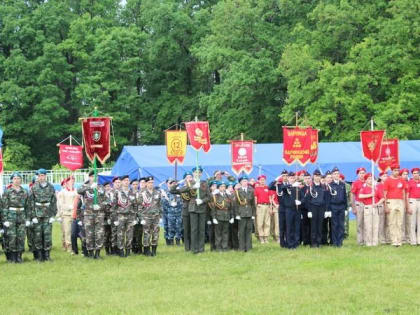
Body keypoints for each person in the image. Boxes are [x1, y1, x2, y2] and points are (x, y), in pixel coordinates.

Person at [28, 168, 57, 261]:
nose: (41, 177)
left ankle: (47, 255)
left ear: (46, 176)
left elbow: (53, 202)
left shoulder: (51, 187)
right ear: (38, 176)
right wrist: (33, 216)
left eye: (43, 175)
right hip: (37, 214)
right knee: (37, 235)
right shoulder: (34, 187)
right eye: (40, 176)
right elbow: (30, 203)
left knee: (47, 235)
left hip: (47, 214)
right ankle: (39, 256)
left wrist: (53, 215)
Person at [1, 172, 29, 263]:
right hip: (11, 216)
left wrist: (28, 219)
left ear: (21, 180)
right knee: (12, 237)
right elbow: (4, 207)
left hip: (22, 215)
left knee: (21, 237)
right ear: (12, 180)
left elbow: (28, 206)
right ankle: (12, 257)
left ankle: (19, 256)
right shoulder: (7, 192)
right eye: (15, 178)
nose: (17, 180)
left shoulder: (24, 192)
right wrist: (5, 219)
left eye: (18, 178)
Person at [77, 171, 106, 259]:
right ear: (89, 177)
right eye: (92, 176)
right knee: (89, 234)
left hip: (99, 214)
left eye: (96, 176)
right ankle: (90, 252)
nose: (94, 178)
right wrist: (89, 187)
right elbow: (79, 191)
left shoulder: (101, 187)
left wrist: (100, 206)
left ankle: (97, 253)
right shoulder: (84, 186)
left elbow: (106, 200)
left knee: (99, 234)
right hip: (88, 214)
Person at [383, 164, 407, 247]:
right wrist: (386, 205)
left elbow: (404, 192)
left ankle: (399, 240)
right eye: (395, 170)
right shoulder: (387, 180)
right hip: (391, 201)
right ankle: (394, 240)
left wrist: (404, 203)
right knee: (392, 222)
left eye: (398, 170)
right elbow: (385, 194)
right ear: (392, 171)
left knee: (399, 222)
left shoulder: (402, 180)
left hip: (400, 201)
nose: (397, 172)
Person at [113, 175, 137, 257]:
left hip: (130, 216)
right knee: (120, 234)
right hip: (120, 216)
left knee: (129, 234)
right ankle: (121, 250)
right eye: (125, 180)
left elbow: (135, 206)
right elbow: (114, 206)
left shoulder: (132, 192)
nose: (127, 182)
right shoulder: (117, 192)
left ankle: (128, 250)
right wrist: (115, 218)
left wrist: (135, 217)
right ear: (122, 182)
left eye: (128, 180)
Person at [139, 176, 163, 256]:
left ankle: (154, 250)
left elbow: (160, 205)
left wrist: (161, 216)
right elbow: (139, 207)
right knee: (147, 234)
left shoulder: (157, 192)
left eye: (152, 182)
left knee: (156, 233)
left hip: (156, 217)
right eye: (149, 182)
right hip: (146, 217)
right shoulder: (142, 193)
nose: (151, 184)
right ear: (146, 183)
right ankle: (146, 250)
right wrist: (141, 218)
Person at [359, 173, 384, 246]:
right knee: (368, 225)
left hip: (375, 207)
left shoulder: (376, 188)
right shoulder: (363, 188)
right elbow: (360, 196)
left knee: (375, 225)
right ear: (366, 180)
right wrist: (370, 195)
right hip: (367, 207)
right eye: (369, 179)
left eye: (371, 178)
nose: (370, 180)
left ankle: (375, 241)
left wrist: (377, 204)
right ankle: (368, 242)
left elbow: (382, 198)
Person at [306, 170, 329, 248]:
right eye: (316, 176)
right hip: (313, 208)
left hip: (321, 208)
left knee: (320, 226)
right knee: (313, 226)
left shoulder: (324, 186)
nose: (317, 177)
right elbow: (308, 200)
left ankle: (319, 242)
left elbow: (326, 199)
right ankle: (313, 243)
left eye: (319, 176)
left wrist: (326, 210)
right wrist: (309, 211)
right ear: (313, 177)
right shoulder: (310, 187)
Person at [170, 172, 193, 251]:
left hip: (194, 208)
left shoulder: (195, 186)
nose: (189, 178)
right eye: (187, 177)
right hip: (186, 209)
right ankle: (187, 247)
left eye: (190, 177)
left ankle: (193, 245)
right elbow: (172, 190)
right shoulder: (182, 188)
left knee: (193, 228)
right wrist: (178, 183)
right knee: (186, 229)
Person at [282, 172, 304, 249]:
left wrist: (300, 202)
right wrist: (292, 185)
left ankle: (296, 243)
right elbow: (283, 188)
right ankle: (290, 243)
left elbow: (303, 197)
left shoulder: (297, 188)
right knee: (289, 227)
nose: (292, 179)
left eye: (293, 178)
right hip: (289, 210)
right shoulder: (286, 186)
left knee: (297, 227)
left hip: (297, 209)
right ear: (288, 178)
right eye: (290, 178)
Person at [234, 175, 256, 252]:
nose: (245, 182)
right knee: (242, 231)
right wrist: (237, 214)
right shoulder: (238, 191)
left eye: (246, 181)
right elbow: (236, 204)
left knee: (249, 231)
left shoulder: (251, 190)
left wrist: (253, 214)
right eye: (243, 181)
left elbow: (253, 203)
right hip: (241, 212)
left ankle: (249, 247)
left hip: (249, 212)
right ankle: (242, 247)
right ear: (240, 182)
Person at [327, 167, 347, 247]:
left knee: (341, 225)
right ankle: (335, 242)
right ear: (332, 175)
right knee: (334, 225)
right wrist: (328, 210)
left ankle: (340, 242)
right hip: (333, 207)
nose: (336, 175)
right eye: (335, 174)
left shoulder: (342, 184)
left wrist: (345, 208)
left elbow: (345, 196)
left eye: (337, 173)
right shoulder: (330, 185)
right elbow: (328, 198)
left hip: (341, 206)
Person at [57, 176, 78, 254]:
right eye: (71, 181)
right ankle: (69, 247)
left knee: (74, 232)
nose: (72, 182)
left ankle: (75, 247)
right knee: (67, 232)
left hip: (75, 214)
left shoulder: (76, 191)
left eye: (73, 181)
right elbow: (61, 203)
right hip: (66, 214)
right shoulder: (62, 192)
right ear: (67, 182)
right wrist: (69, 207)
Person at [211, 181, 233, 251]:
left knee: (225, 233)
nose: (223, 188)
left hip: (226, 216)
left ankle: (225, 247)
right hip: (218, 216)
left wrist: (232, 217)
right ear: (218, 188)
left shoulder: (228, 196)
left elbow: (231, 207)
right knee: (218, 233)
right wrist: (214, 217)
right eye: (221, 186)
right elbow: (213, 208)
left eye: (224, 186)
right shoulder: (215, 196)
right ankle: (218, 247)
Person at [162, 179, 183, 246]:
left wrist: (178, 204)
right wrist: (170, 205)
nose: (173, 184)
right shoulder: (166, 193)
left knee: (179, 227)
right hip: (170, 213)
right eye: (172, 183)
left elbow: (183, 201)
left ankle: (178, 240)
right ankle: (170, 240)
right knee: (170, 227)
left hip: (179, 213)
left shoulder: (179, 192)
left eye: (175, 183)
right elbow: (163, 203)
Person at [254, 175, 271, 244]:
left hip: (267, 205)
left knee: (267, 222)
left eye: (263, 180)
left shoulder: (268, 188)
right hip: (260, 206)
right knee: (260, 223)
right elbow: (255, 198)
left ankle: (266, 237)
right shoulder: (256, 188)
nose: (262, 181)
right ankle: (261, 237)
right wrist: (256, 207)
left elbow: (270, 197)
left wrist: (270, 206)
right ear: (258, 181)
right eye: (261, 180)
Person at [352, 167, 366, 245]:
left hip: (367, 204)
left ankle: (367, 239)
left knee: (367, 223)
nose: (362, 175)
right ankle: (360, 241)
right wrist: (354, 207)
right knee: (360, 223)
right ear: (358, 174)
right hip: (359, 204)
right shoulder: (355, 183)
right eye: (360, 173)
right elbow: (353, 195)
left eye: (363, 173)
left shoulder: (368, 182)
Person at [407, 168, 420, 245]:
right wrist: (408, 206)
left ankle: (419, 240)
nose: (415, 174)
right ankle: (413, 241)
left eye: (417, 173)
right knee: (412, 222)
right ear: (412, 174)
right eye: (414, 173)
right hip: (412, 201)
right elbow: (407, 194)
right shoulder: (410, 182)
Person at [110, 176, 121, 255]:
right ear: (113, 183)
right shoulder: (111, 192)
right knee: (113, 233)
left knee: (120, 233)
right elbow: (110, 205)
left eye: (119, 182)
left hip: (121, 215)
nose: (118, 184)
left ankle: (119, 248)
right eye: (116, 182)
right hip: (113, 215)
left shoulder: (121, 192)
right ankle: (113, 249)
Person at [376, 172, 388, 244]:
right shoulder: (379, 186)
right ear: (380, 177)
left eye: (386, 175)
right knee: (381, 222)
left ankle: (387, 238)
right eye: (384, 176)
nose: (386, 177)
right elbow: (382, 196)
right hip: (382, 205)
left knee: (388, 222)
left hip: (389, 203)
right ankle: (381, 239)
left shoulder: (388, 184)